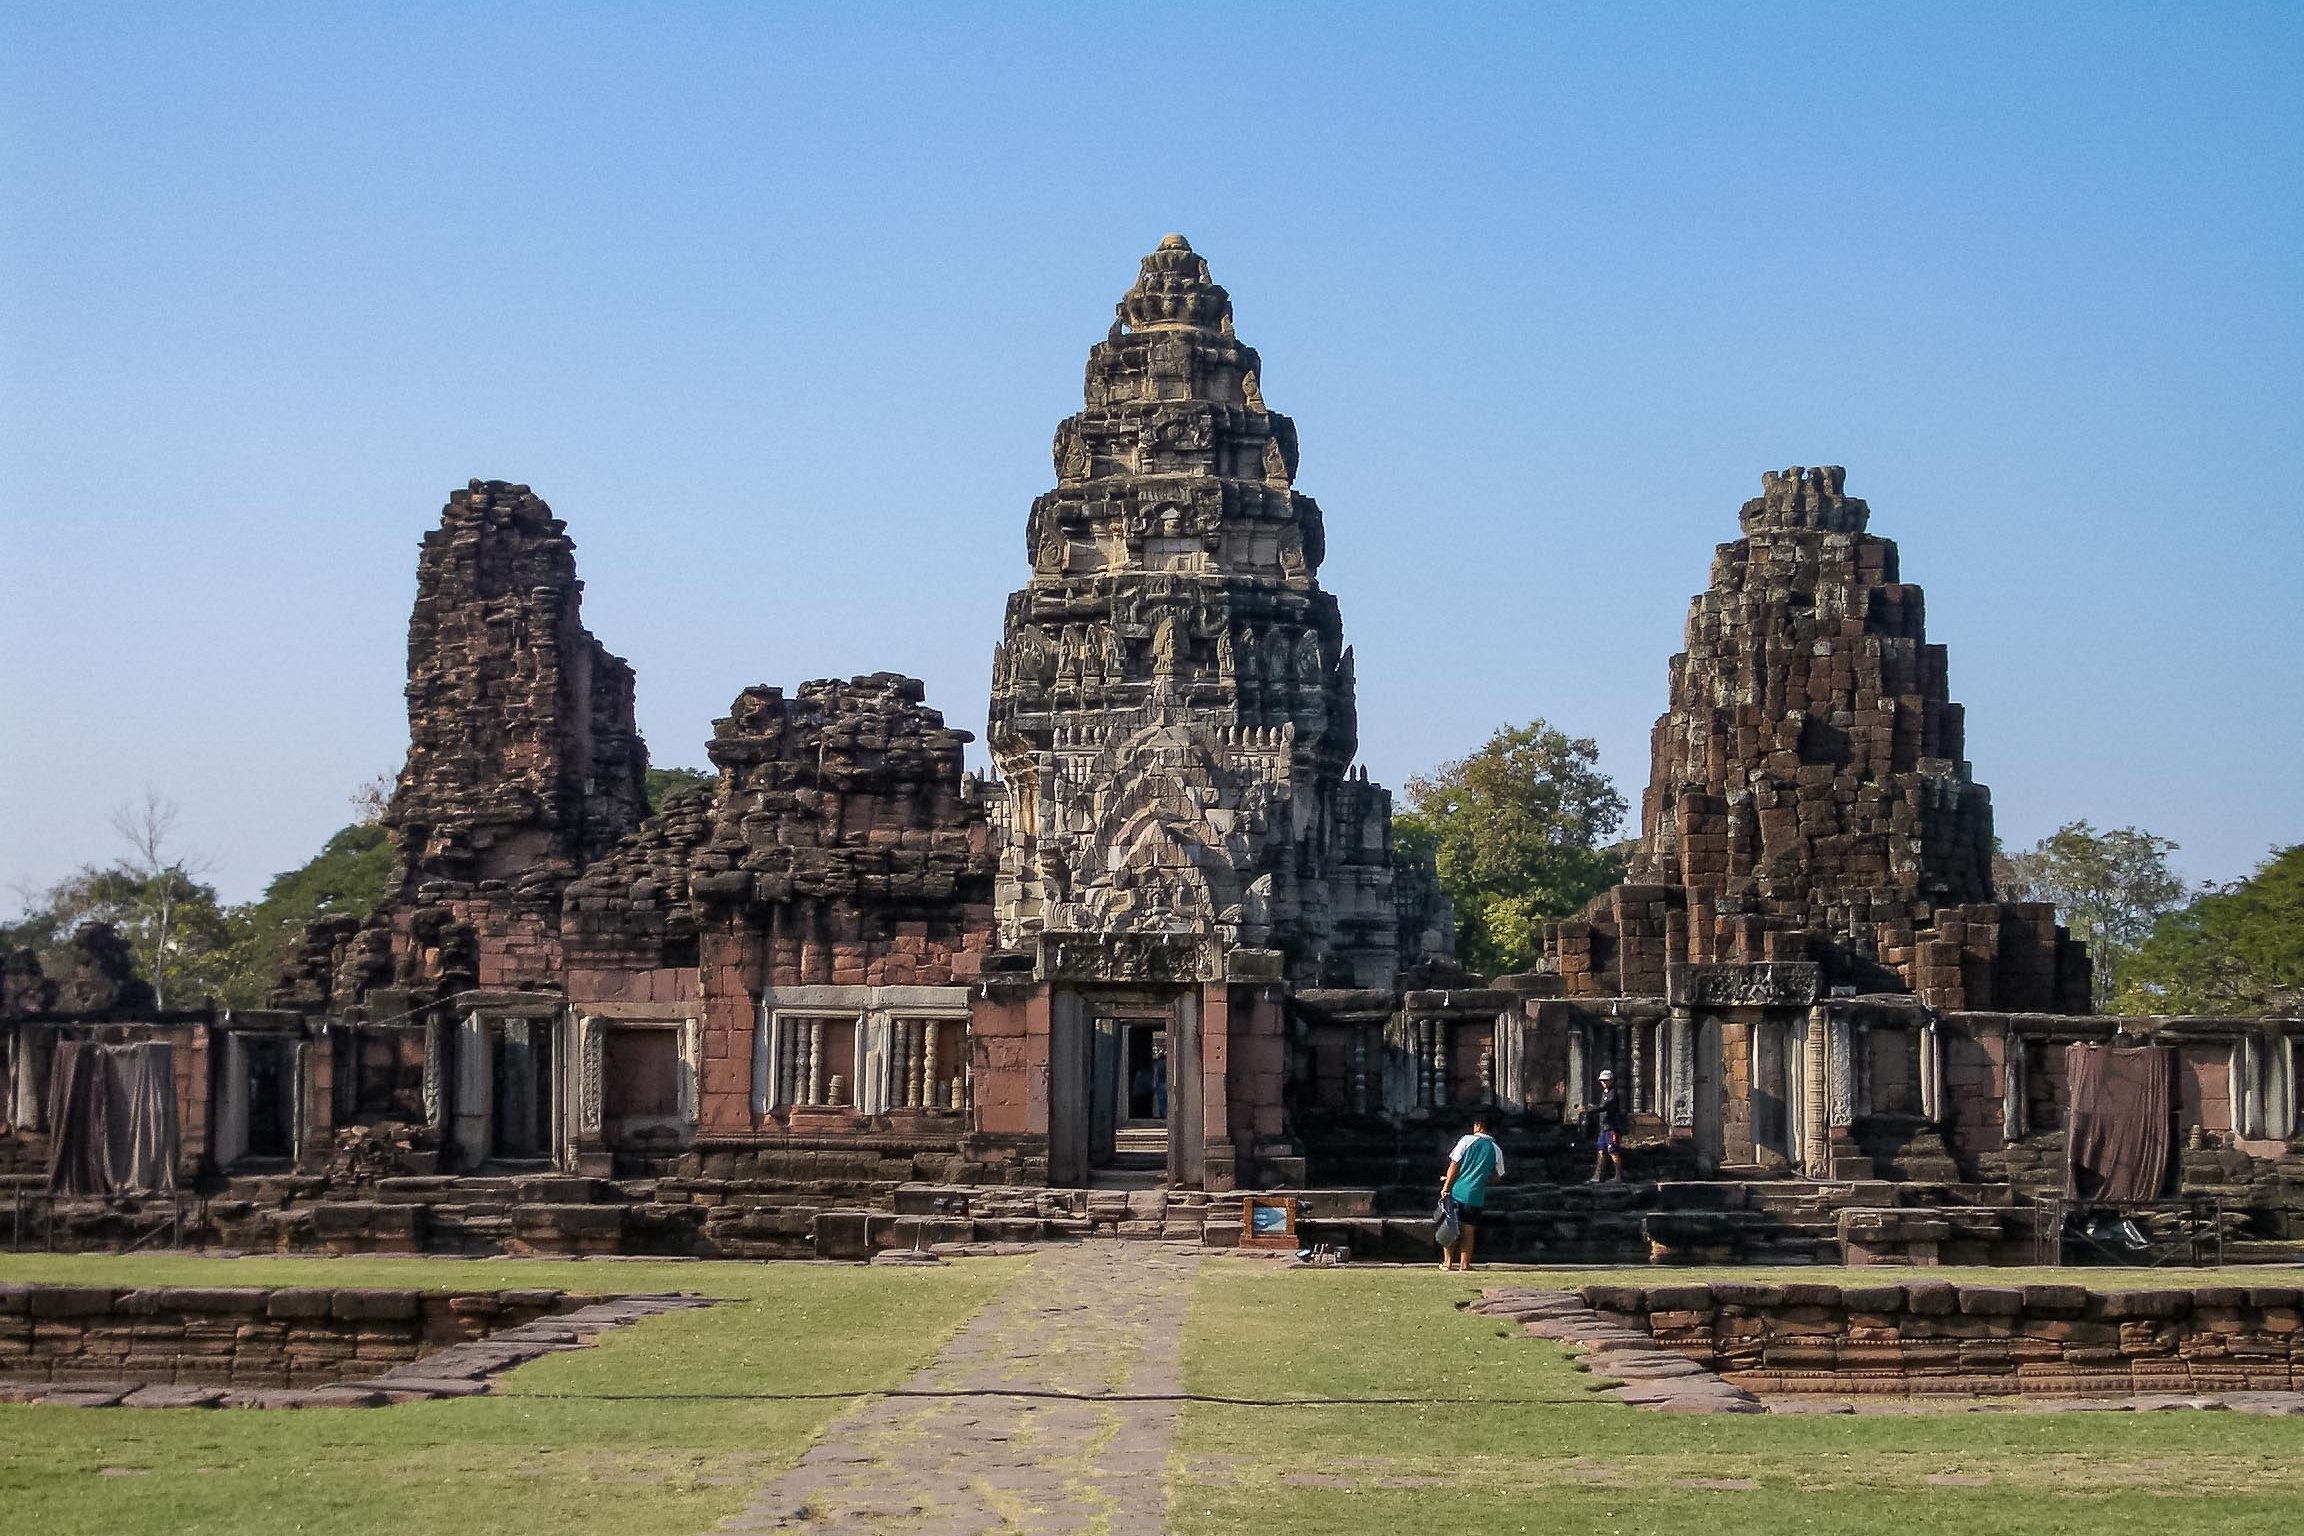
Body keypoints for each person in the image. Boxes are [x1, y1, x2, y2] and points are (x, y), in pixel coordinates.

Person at [1438, 1113, 1503, 1272]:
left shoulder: (1467, 1140)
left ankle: (1447, 1262)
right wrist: (1481, 1180)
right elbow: (1498, 1175)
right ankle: (1464, 1264)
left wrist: (1446, 1186)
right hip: (1475, 1195)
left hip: (1457, 1190)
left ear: (1479, 1126)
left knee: (1450, 1225)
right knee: (1469, 1229)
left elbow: (1454, 1164)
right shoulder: (1496, 1149)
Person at [1584, 1068, 1625, 1183]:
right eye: (1602, 1080)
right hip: (1603, 1127)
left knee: (1613, 1151)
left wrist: (1589, 1110)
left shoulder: (1613, 1094)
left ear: (1611, 1081)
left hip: (1611, 1127)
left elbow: (1605, 1106)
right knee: (1601, 1151)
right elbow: (1601, 1106)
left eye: (1606, 1080)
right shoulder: (1605, 1093)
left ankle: (1618, 1177)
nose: (1604, 1082)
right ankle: (1598, 1176)